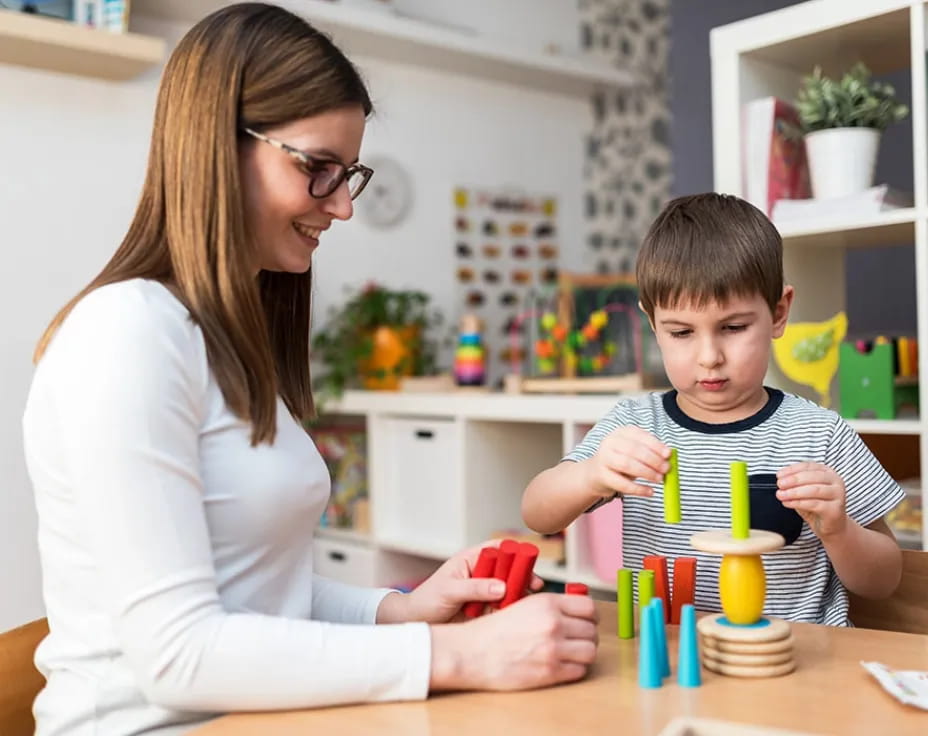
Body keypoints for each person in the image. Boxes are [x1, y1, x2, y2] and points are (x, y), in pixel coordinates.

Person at [22, 4, 598, 734]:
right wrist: (454, 654)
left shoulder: (222, 337)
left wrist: (402, 609)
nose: (342, 207)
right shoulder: (124, 332)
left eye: (347, 173)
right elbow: (178, 653)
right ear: (215, 145)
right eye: (317, 169)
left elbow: (259, 595)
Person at [521, 192, 904, 626]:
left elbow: (884, 579)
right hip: (669, 661)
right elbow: (536, 513)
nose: (709, 356)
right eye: (681, 332)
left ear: (779, 313)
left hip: (792, 663)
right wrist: (590, 475)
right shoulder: (633, 425)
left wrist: (839, 531)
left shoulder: (820, 433)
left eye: (734, 327)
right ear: (653, 324)